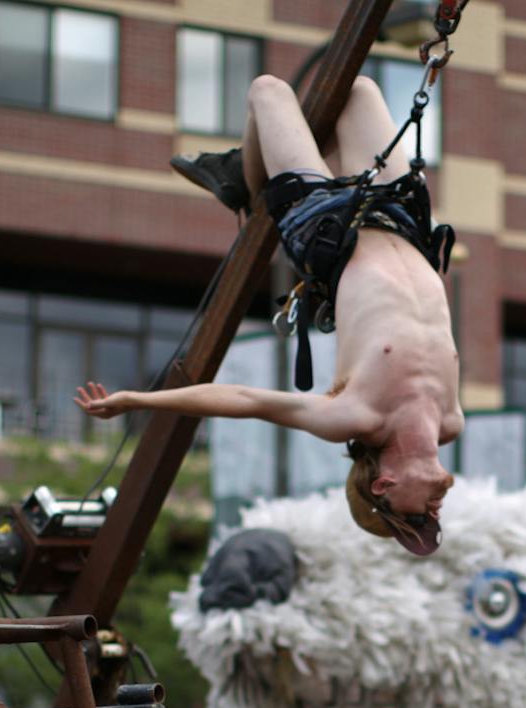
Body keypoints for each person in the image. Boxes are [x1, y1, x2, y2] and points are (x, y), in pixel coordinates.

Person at [77, 74, 459, 556]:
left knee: (267, 90)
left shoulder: (356, 416)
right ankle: (268, 162)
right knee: (357, 88)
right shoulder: (450, 420)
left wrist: (139, 400)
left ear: (382, 486)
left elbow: (243, 398)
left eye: (415, 516)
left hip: (328, 232)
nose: (434, 510)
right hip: (400, 216)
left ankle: (244, 179)